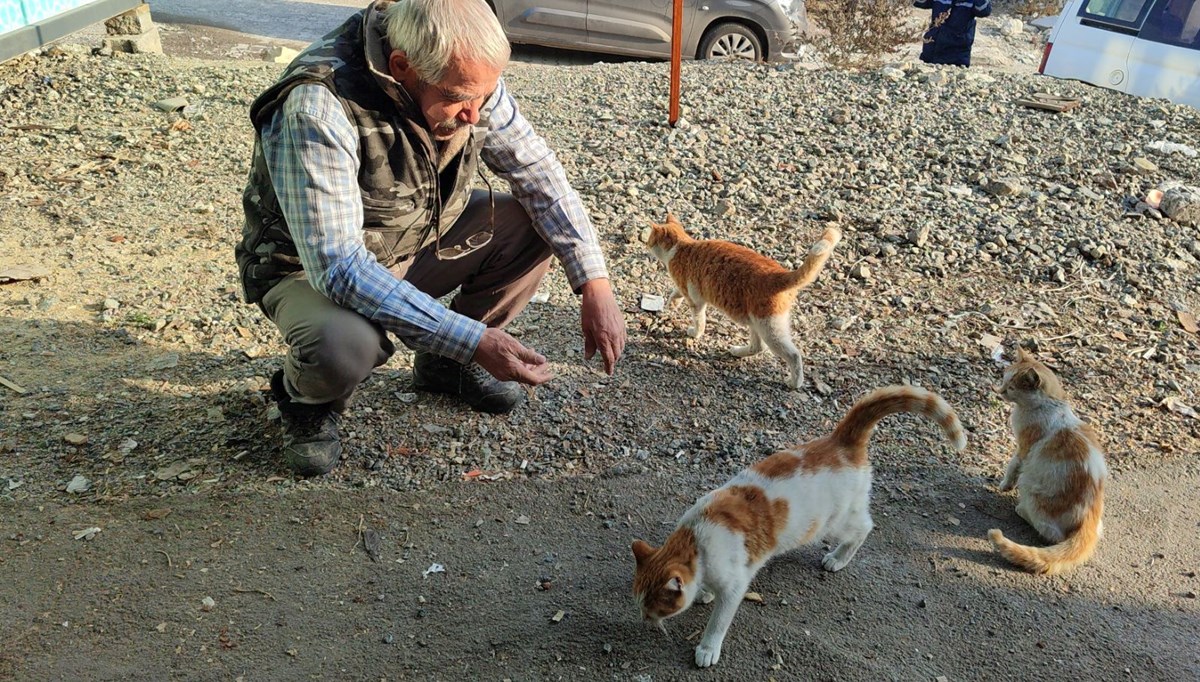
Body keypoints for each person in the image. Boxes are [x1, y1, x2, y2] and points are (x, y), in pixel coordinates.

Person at [235, 0, 626, 476]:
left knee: (532, 225)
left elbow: (537, 171)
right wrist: (472, 339)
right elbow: (337, 266)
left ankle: (442, 365)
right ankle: (306, 399)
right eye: (461, 99)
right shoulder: (318, 105)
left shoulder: (463, 77)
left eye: (484, 98)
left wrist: (595, 283)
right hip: (306, 268)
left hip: (413, 235)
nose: (473, 115)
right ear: (402, 67)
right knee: (346, 345)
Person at [914, 0, 992, 67]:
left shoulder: (970, 1)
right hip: (931, 53)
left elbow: (984, 10)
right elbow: (919, 2)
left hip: (956, 57)